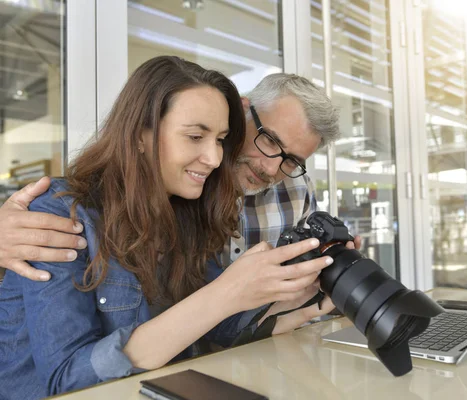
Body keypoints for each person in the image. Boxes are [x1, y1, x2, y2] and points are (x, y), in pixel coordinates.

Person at [0, 56, 336, 399]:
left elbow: (223, 324)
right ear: (141, 134)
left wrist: (307, 296)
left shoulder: (183, 213)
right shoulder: (61, 215)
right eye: (194, 136)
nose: (214, 157)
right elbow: (68, 380)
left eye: (220, 139)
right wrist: (225, 293)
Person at [0, 72, 358, 321]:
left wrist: (327, 273)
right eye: (270, 141)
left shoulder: (294, 189)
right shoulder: (171, 182)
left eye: (291, 160)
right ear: (242, 109)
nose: (270, 167)